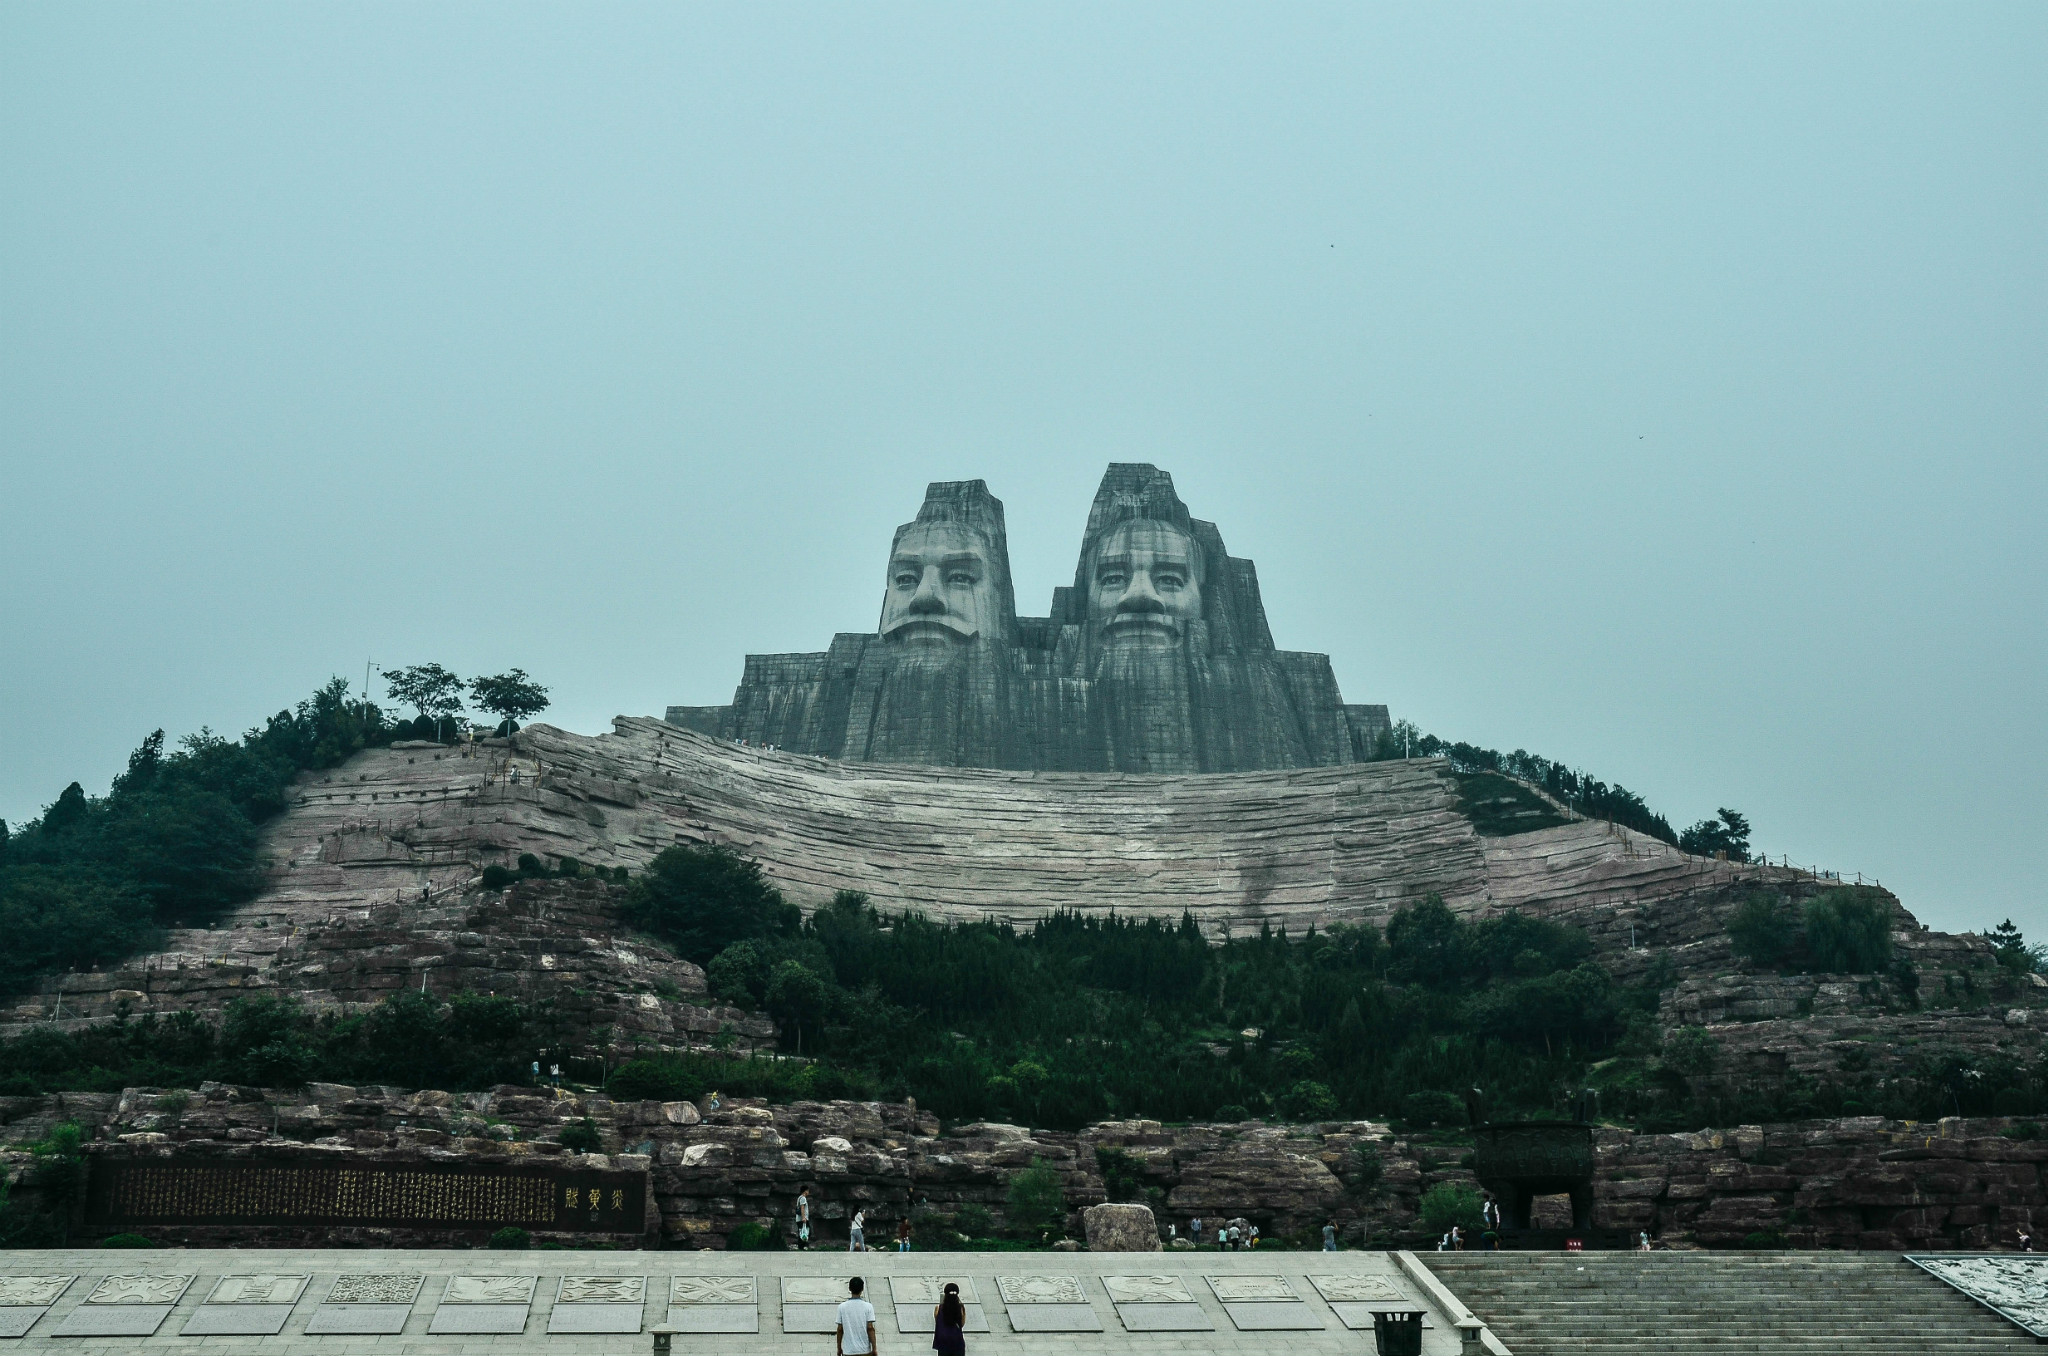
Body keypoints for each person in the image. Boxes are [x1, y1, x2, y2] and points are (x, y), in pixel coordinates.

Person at [836, 1277, 877, 1356]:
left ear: (849, 1289)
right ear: (862, 1289)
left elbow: (840, 1329)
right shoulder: (868, 1307)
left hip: (849, 1351)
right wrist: (874, 1348)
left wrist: (839, 1348)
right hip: (865, 1350)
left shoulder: (842, 1307)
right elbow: (870, 1328)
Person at [932, 1282, 966, 1356]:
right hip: (957, 1342)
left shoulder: (938, 1308)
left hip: (943, 1342)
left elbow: (937, 1322)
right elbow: (962, 1324)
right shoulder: (961, 1308)